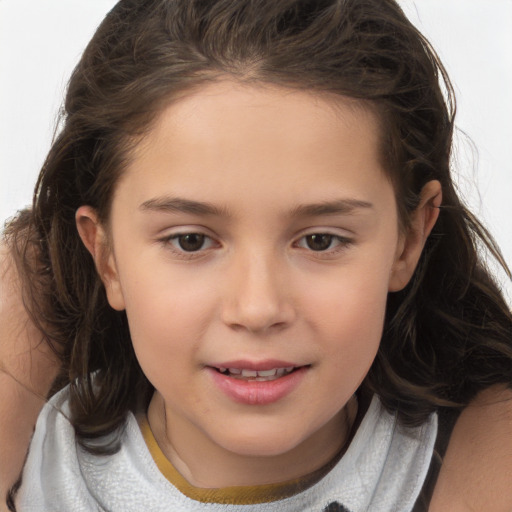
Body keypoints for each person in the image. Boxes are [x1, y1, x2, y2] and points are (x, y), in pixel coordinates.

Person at [2, 0, 512, 510]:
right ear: (106, 255)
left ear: (408, 241)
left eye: (320, 240)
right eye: (191, 241)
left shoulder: (479, 465)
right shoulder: (30, 463)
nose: (257, 308)